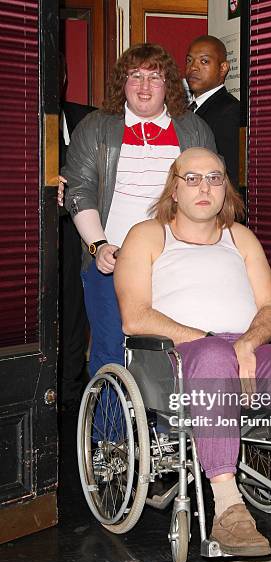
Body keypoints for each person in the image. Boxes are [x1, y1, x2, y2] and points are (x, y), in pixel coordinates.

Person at [114, 147, 271, 562]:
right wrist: (212, 341)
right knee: (210, 354)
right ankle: (228, 509)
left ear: (226, 187)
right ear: (174, 188)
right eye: (192, 178)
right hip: (176, 357)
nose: (204, 187)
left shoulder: (240, 237)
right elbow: (135, 317)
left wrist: (246, 342)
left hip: (244, 353)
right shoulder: (148, 235)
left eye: (215, 177)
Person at [62, 44, 216, 377]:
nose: (144, 87)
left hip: (178, 261)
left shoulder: (193, 130)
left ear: (169, 85)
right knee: (111, 351)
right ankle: (108, 430)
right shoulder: (95, 128)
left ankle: (168, 427)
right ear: (123, 82)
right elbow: (79, 191)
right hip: (112, 260)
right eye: (136, 76)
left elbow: (212, 192)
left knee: (177, 351)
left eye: (155, 77)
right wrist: (98, 245)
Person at [58, 54, 94, 409]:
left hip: (79, 232)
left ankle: (69, 393)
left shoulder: (89, 119)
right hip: (31, 232)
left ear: (65, 73)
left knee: (75, 308)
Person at [185, 35, 240, 188]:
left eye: (204, 61)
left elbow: (229, 176)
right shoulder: (186, 109)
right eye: (189, 60)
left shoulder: (229, 111)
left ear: (223, 68)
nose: (193, 68)